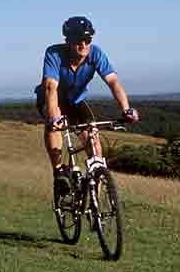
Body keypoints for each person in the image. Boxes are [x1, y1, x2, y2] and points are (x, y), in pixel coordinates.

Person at [35, 16, 139, 195]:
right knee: (54, 127)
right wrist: (53, 118)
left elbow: (113, 82)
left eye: (88, 40)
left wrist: (126, 110)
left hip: (76, 101)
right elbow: (51, 87)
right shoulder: (54, 53)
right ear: (68, 41)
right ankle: (59, 171)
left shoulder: (96, 54)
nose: (83, 45)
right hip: (53, 100)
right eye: (78, 41)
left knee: (95, 143)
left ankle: (94, 200)